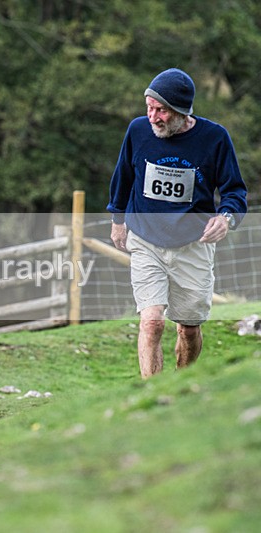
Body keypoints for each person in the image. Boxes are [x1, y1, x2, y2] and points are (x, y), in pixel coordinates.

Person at [107, 68, 247, 379]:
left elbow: (235, 191)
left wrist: (226, 218)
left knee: (189, 329)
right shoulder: (138, 131)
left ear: (182, 111)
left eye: (161, 110)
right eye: (149, 107)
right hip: (146, 239)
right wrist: (117, 219)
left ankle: (182, 386)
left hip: (193, 244)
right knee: (152, 322)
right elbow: (123, 177)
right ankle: (153, 392)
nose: (153, 117)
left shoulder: (214, 138)